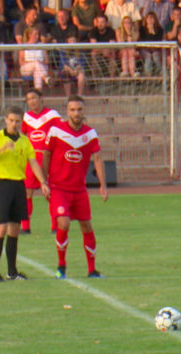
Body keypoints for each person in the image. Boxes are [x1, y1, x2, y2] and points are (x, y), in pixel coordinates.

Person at [0, 105, 50, 282]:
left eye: (17, 121)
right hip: (1, 184)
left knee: (15, 229)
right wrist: (0, 150)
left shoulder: (24, 141)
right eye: (11, 120)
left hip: (18, 185)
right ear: (5, 120)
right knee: (1, 227)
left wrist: (42, 182)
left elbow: (32, 162)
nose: (14, 124)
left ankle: (12, 271)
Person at [42, 95, 108, 279]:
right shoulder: (56, 131)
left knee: (86, 225)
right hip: (59, 187)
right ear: (67, 111)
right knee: (63, 222)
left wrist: (103, 185)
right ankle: (61, 266)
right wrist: (43, 181)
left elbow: (97, 159)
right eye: (72, 110)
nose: (76, 113)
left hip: (79, 189)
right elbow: (46, 155)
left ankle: (92, 270)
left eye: (79, 109)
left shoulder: (90, 134)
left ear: (83, 111)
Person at [21, 88, 61, 233]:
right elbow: (23, 135)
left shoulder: (52, 115)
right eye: (28, 99)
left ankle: (55, 226)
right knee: (27, 192)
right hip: (31, 159)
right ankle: (25, 227)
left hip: (48, 158)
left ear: (41, 98)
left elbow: (60, 133)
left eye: (34, 98)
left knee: (50, 193)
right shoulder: (26, 117)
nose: (32, 101)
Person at [19, 27, 52, 92]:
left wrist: (39, 63)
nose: (37, 36)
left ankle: (38, 93)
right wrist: (34, 62)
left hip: (40, 67)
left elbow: (46, 61)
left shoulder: (41, 45)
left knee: (37, 71)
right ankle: (46, 78)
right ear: (30, 35)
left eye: (38, 34)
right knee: (36, 64)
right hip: (26, 68)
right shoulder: (23, 46)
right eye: (35, 34)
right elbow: (21, 62)